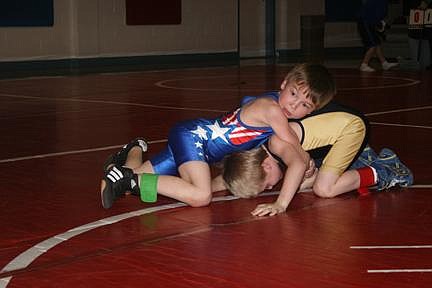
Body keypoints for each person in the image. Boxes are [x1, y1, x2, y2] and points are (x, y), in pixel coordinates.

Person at [100, 63, 336, 209]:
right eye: (294, 94)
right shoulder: (272, 110)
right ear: (284, 83)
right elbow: (290, 139)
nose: (294, 106)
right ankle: (127, 180)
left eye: (305, 105)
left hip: (191, 140)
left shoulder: (272, 102)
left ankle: (131, 153)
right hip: (195, 140)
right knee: (201, 196)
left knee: (111, 186)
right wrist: (305, 158)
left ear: (311, 110)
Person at [222, 101, 414, 216]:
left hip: (352, 128)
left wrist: (280, 204)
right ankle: (363, 158)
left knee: (324, 188)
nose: (271, 188)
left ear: (266, 165)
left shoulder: (276, 144)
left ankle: (386, 170)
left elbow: (297, 165)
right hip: (339, 128)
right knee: (303, 183)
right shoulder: (266, 149)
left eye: (266, 185)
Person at [357, 0, 399, 72]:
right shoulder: (382, 3)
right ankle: (364, 65)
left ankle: (384, 63)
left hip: (367, 22)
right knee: (372, 45)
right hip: (365, 23)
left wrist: (380, 24)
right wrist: (381, 25)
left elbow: (375, 14)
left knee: (377, 43)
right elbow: (376, 16)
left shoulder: (382, 3)